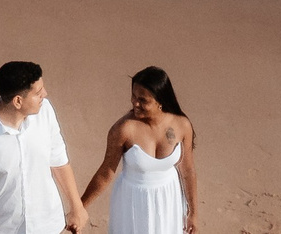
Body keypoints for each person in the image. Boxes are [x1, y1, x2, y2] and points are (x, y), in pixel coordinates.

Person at [0, 59, 85, 234]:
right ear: (18, 101)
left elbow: (58, 159)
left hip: (48, 226)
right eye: (38, 92)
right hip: (2, 229)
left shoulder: (45, 111)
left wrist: (77, 207)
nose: (45, 95)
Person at [80, 66, 197, 234]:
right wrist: (81, 207)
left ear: (160, 102)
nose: (135, 103)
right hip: (133, 201)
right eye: (133, 96)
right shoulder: (123, 129)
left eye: (143, 100)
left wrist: (193, 213)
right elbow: (106, 172)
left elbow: (188, 170)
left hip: (169, 198)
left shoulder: (181, 125)